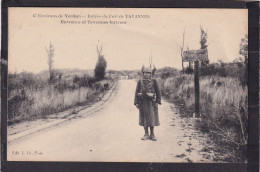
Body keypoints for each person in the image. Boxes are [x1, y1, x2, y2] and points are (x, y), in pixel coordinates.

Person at [134, 66, 161, 141]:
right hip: (142, 102)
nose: (146, 75)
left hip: (151, 102)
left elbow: (158, 92)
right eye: (145, 73)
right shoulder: (140, 81)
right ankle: (146, 134)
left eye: (148, 73)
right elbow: (136, 92)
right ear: (143, 74)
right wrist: (136, 102)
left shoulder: (154, 81)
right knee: (144, 118)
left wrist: (158, 101)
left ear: (151, 74)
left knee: (152, 118)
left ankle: (152, 134)